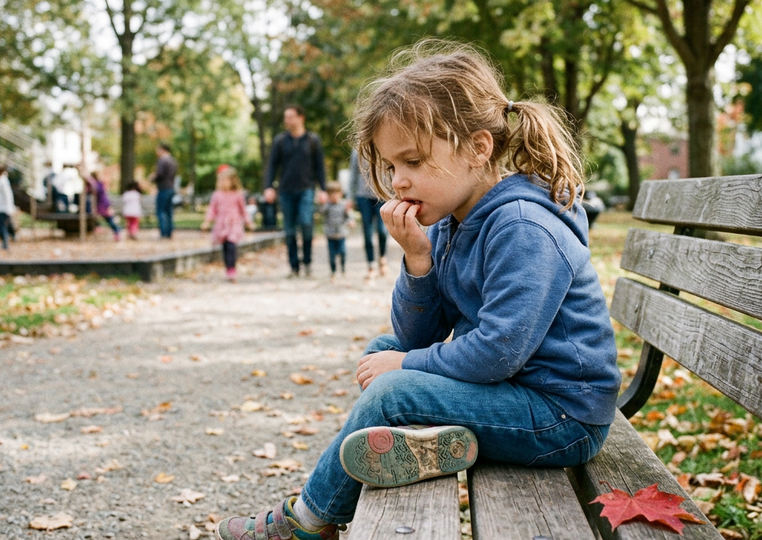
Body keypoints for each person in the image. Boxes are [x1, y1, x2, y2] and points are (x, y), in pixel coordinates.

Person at [215, 41, 620, 540]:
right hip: (515, 391)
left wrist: (405, 369)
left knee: (391, 384)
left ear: (478, 148)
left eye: (413, 161)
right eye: (390, 167)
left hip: (562, 415)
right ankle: (425, 442)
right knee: (383, 351)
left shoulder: (521, 227)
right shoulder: (453, 221)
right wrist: (418, 260)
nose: (399, 181)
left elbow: (498, 351)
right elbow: (414, 337)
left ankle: (308, 522)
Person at [262, 105, 327, 277]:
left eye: (290, 116)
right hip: (286, 190)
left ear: (301, 117)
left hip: (306, 189)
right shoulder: (280, 141)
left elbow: (320, 167)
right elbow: (272, 166)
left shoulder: (312, 140)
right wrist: (268, 187)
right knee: (289, 230)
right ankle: (294, 266)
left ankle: (307, 263)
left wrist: (323, 189)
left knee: (306, 224)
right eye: (285, 117)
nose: (287, 120)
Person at [201, 165, 252, 282]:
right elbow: (212, 209)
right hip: (221, 225)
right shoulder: (217, 195)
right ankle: (228, 267)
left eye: (225, 180)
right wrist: (207, 222)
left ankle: (232, 269)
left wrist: (248, 222)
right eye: (221, 180)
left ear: (232, 181)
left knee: (231, 246)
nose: (223, 183)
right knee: (225, 248)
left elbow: (243, 209)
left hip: (233, 225)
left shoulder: (237, 194)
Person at [349, 148, 389, 279]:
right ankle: (370, 264)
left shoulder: (384, 145)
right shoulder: (357, 152)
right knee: (367, 231)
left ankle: (382, 257)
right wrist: (349, 197)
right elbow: (353, 175)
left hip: (382, 196)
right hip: (363, 196)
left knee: (382, 231)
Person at [320, 181, 351, 281]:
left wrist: (350, 221)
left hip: (341, 234)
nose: (333, 196)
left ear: (340, 194)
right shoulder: (327, 206)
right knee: (332, 255)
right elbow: (321, 213)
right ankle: (333, 271)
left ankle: (343, 269)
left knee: (342, 252)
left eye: (335, 194)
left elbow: (348, 217)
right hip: (330, 235)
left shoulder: (343, 205)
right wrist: (323, 203)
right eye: (331, 194)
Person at [148, 143, 178, 239]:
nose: (157, 152)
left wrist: (152, 178)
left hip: (163, 188)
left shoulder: (162, 160)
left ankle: (163, 233)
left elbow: (160, 174)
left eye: (158, 150)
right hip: (171, 188)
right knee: (169, 211)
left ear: (163, 150)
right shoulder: (173, 161)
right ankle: (169, 232)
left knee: (161, 211)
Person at [88, 171, 121, 241]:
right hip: (98, 204)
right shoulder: (93, 184)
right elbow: (89, 191)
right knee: (92, 216)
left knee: (109, 219)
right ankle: (98, 227)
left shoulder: (99, 184)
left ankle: (117, 230)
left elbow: (98, 190)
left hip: (103, 204)